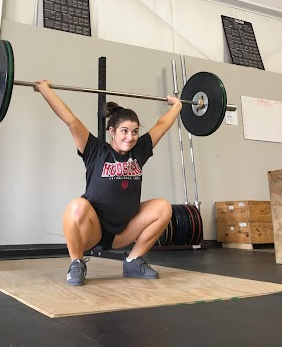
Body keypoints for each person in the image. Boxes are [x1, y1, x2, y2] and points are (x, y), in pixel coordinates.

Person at [34, 80, 182, 286]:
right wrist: (44, 90)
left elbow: (162, 126)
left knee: (163, 207)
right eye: (124, 131)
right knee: (76, 206)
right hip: (93, 231)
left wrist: (177, 106)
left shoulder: (139, 150)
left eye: (135, 131)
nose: (130, 137)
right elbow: (70, 120)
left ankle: (133, 261)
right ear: (112, 131)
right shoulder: (95, 150)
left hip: (124, 230)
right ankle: (76, 263)